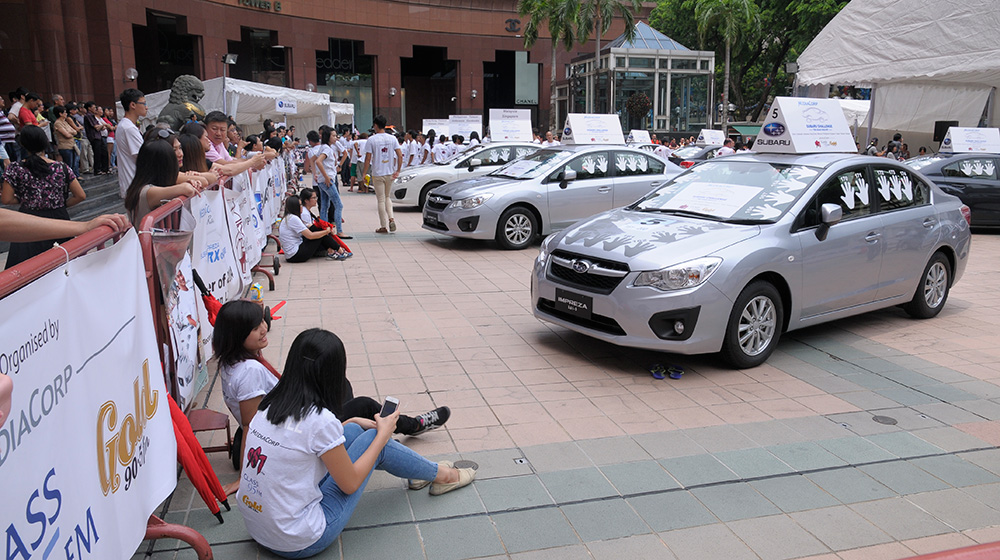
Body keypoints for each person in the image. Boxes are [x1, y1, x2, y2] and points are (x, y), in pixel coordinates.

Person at [236, 328, 475, 559]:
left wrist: (350, 420)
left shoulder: (267, 407)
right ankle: (445, 476)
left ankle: (419, 473)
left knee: (351, 429)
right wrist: (383, 434)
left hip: (258, 526)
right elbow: (349, 484)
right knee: (373, 439)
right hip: (298, 541)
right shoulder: (319, 420)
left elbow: (301, 444)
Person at [1, 126, 86, 268]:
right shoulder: (61, 167)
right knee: (65, 267)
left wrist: (25, 200)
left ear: (22, 144)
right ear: (45, 142)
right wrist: (60, 203)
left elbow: (6, 199)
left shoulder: (14, 168)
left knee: (28, 270)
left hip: (28, 221)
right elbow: (80, 195)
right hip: (59, 218)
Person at [124, 135, 205, 228]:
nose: (180, 154)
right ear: (166, 165)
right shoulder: (147, 192)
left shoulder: (141, 188)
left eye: (180, 148)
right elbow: (187, 189)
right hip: (150, 241)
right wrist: (188, 183)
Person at [360, 115, 403, 234]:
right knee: (387, 197)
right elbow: (400, 155)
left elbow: (368, 159)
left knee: (380, 199)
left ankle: (383, 225)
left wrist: (364, 173)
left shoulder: (372, 140)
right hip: (390, 172)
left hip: (378, 173)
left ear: (375, 125)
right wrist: (398, 170)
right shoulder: (392, 138)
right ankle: (391, 218)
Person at [278, 195, 349, 262]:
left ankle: (332, 251)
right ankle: (340, 250)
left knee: (318, 232)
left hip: (292, 254)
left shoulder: (289, 217)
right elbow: (310, 236)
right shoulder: (293, 218)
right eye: (300, 205)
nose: (302, 207)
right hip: (295, 255)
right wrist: (326, 231)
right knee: (320, 234)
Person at [313, 128, 349, 237]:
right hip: (327, 180)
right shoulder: (326, 149)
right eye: (333, 135)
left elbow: (316, 161)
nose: (336, 137)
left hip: (323, 180)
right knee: (338, 204)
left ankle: (325, 229)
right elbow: (318, 161)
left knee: (325, 205)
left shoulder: (325, 147)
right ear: (328, 137)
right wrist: (326, 177)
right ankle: (339, 231)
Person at [117, 88, 146, 198]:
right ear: (133, 105)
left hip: (132, 184)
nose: (146, 107)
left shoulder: (125, 125)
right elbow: (142, 156)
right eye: (143, 103)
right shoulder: (128, 128)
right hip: (135, 184)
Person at [83, 101, 109, 175]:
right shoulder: (88, 116)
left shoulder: (93, 116)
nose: (95, 109)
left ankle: (105, 169)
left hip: (99, 136)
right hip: (94, 137)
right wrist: (103, 126)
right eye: (94, 108)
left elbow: (100, 127)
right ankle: (97, 169)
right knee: (97, 153)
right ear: (89, 108)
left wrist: (102, 126)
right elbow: (96, 127)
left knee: (104, 152)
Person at [52, 106, 79, 175]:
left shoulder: (65, 122)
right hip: (64, 146)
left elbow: (75, 131)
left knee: (73, 164)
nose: (66, 114)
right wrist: (71, 133)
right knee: (68, 165)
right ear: (60, 114)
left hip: (71, 145)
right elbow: (67, 135)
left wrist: (70, 132)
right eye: (64, 112)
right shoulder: (58, 123)